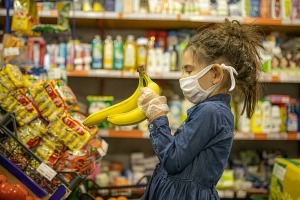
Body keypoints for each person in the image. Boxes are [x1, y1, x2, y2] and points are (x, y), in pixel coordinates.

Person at [137, 19, 264, 200]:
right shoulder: (211, 110)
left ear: (215, 74)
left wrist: (158, 118)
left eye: (188, 71)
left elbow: (173, 160)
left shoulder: (211, 112)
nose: (183, 78)